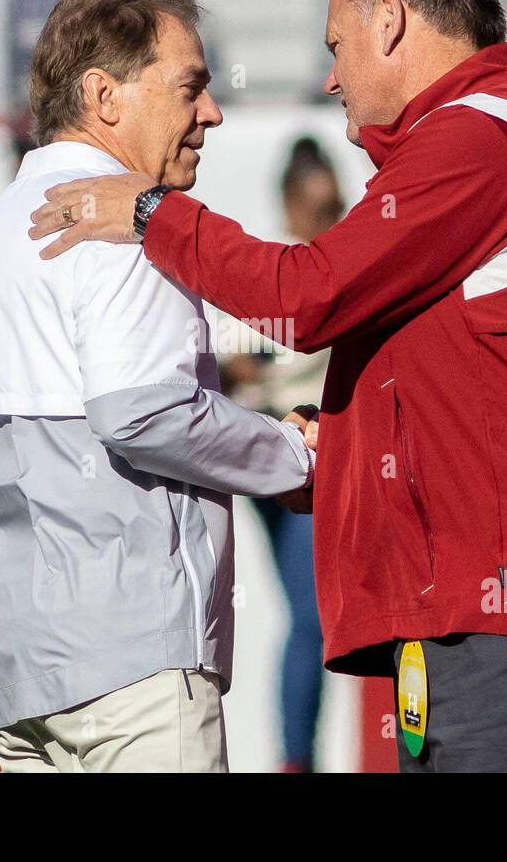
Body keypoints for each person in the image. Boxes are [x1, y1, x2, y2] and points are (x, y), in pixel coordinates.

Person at [29, 0, 507, 772]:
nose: (330, 78)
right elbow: (463, 384)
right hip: (486, 626)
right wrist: (350, 446)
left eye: (336, 47)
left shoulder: (482, 134)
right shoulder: (488, 135)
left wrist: (150, 214)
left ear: (392, 20)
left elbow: (305, 297)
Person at [0, 0, 313, 774]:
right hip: (139, 677)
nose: (212, 113)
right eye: (190, 87)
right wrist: (292, 457)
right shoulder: (127, 224)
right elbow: (138, 412)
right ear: (105, 96)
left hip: (10, 691)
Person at [223, 136, 344, 772]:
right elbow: (235, 355)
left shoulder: (340, 257)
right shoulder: (282, 266)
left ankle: (300, 755)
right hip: (290, 447)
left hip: (321, 446)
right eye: (317, 208)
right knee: (312, 614)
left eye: (336, 207)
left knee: (320, 616)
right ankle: (296, 759)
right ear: (290, 204)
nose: (328, 219)